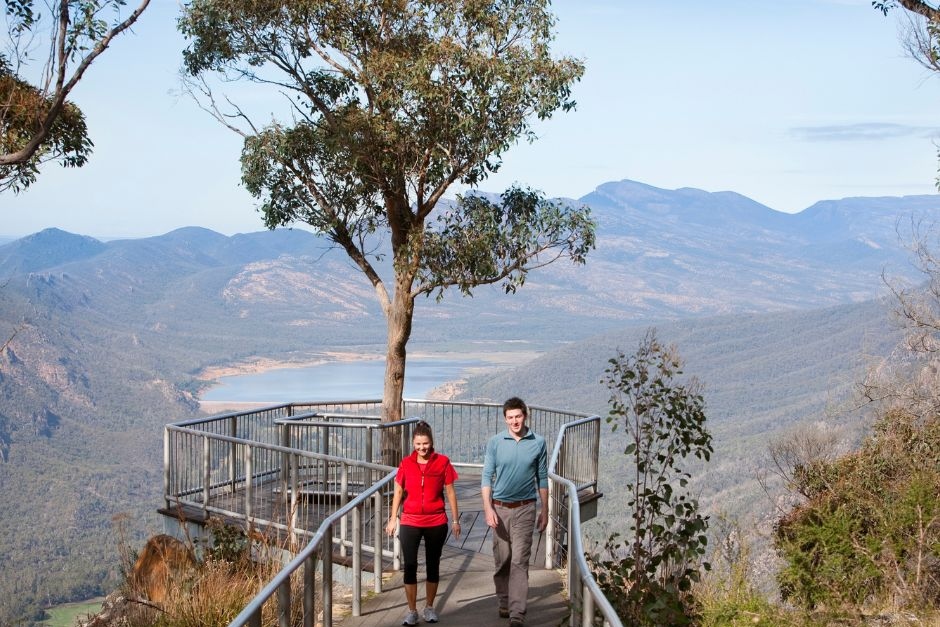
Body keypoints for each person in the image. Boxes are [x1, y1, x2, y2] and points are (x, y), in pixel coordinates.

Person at [481, 397, 548, 627]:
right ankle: (504, 599)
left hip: (525, 508)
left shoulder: (538, 442)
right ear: (505, 419)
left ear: (525, 416)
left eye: (518, 416)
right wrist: (488, 507)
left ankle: (517, 613)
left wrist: (545, 509)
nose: (514, 421)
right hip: (499, 508)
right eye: (510, 417)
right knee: (503, 559)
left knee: (520, 560)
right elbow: (486, 477)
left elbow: (542, 480)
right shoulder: (495, 442)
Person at [386, 420, 461, 625]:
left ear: (431, 442)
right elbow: (399, 491)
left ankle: (429, 607)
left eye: (425, 443)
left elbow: (451, 492)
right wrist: (393, 519)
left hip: (436, 521)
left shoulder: (443, 462)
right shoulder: (406, 463)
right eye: (418, 444)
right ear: (413, 443)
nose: (422, 448)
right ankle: (412, 611)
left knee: (432, 565)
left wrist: (455, 520)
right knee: (409, 565)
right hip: (410, 520)